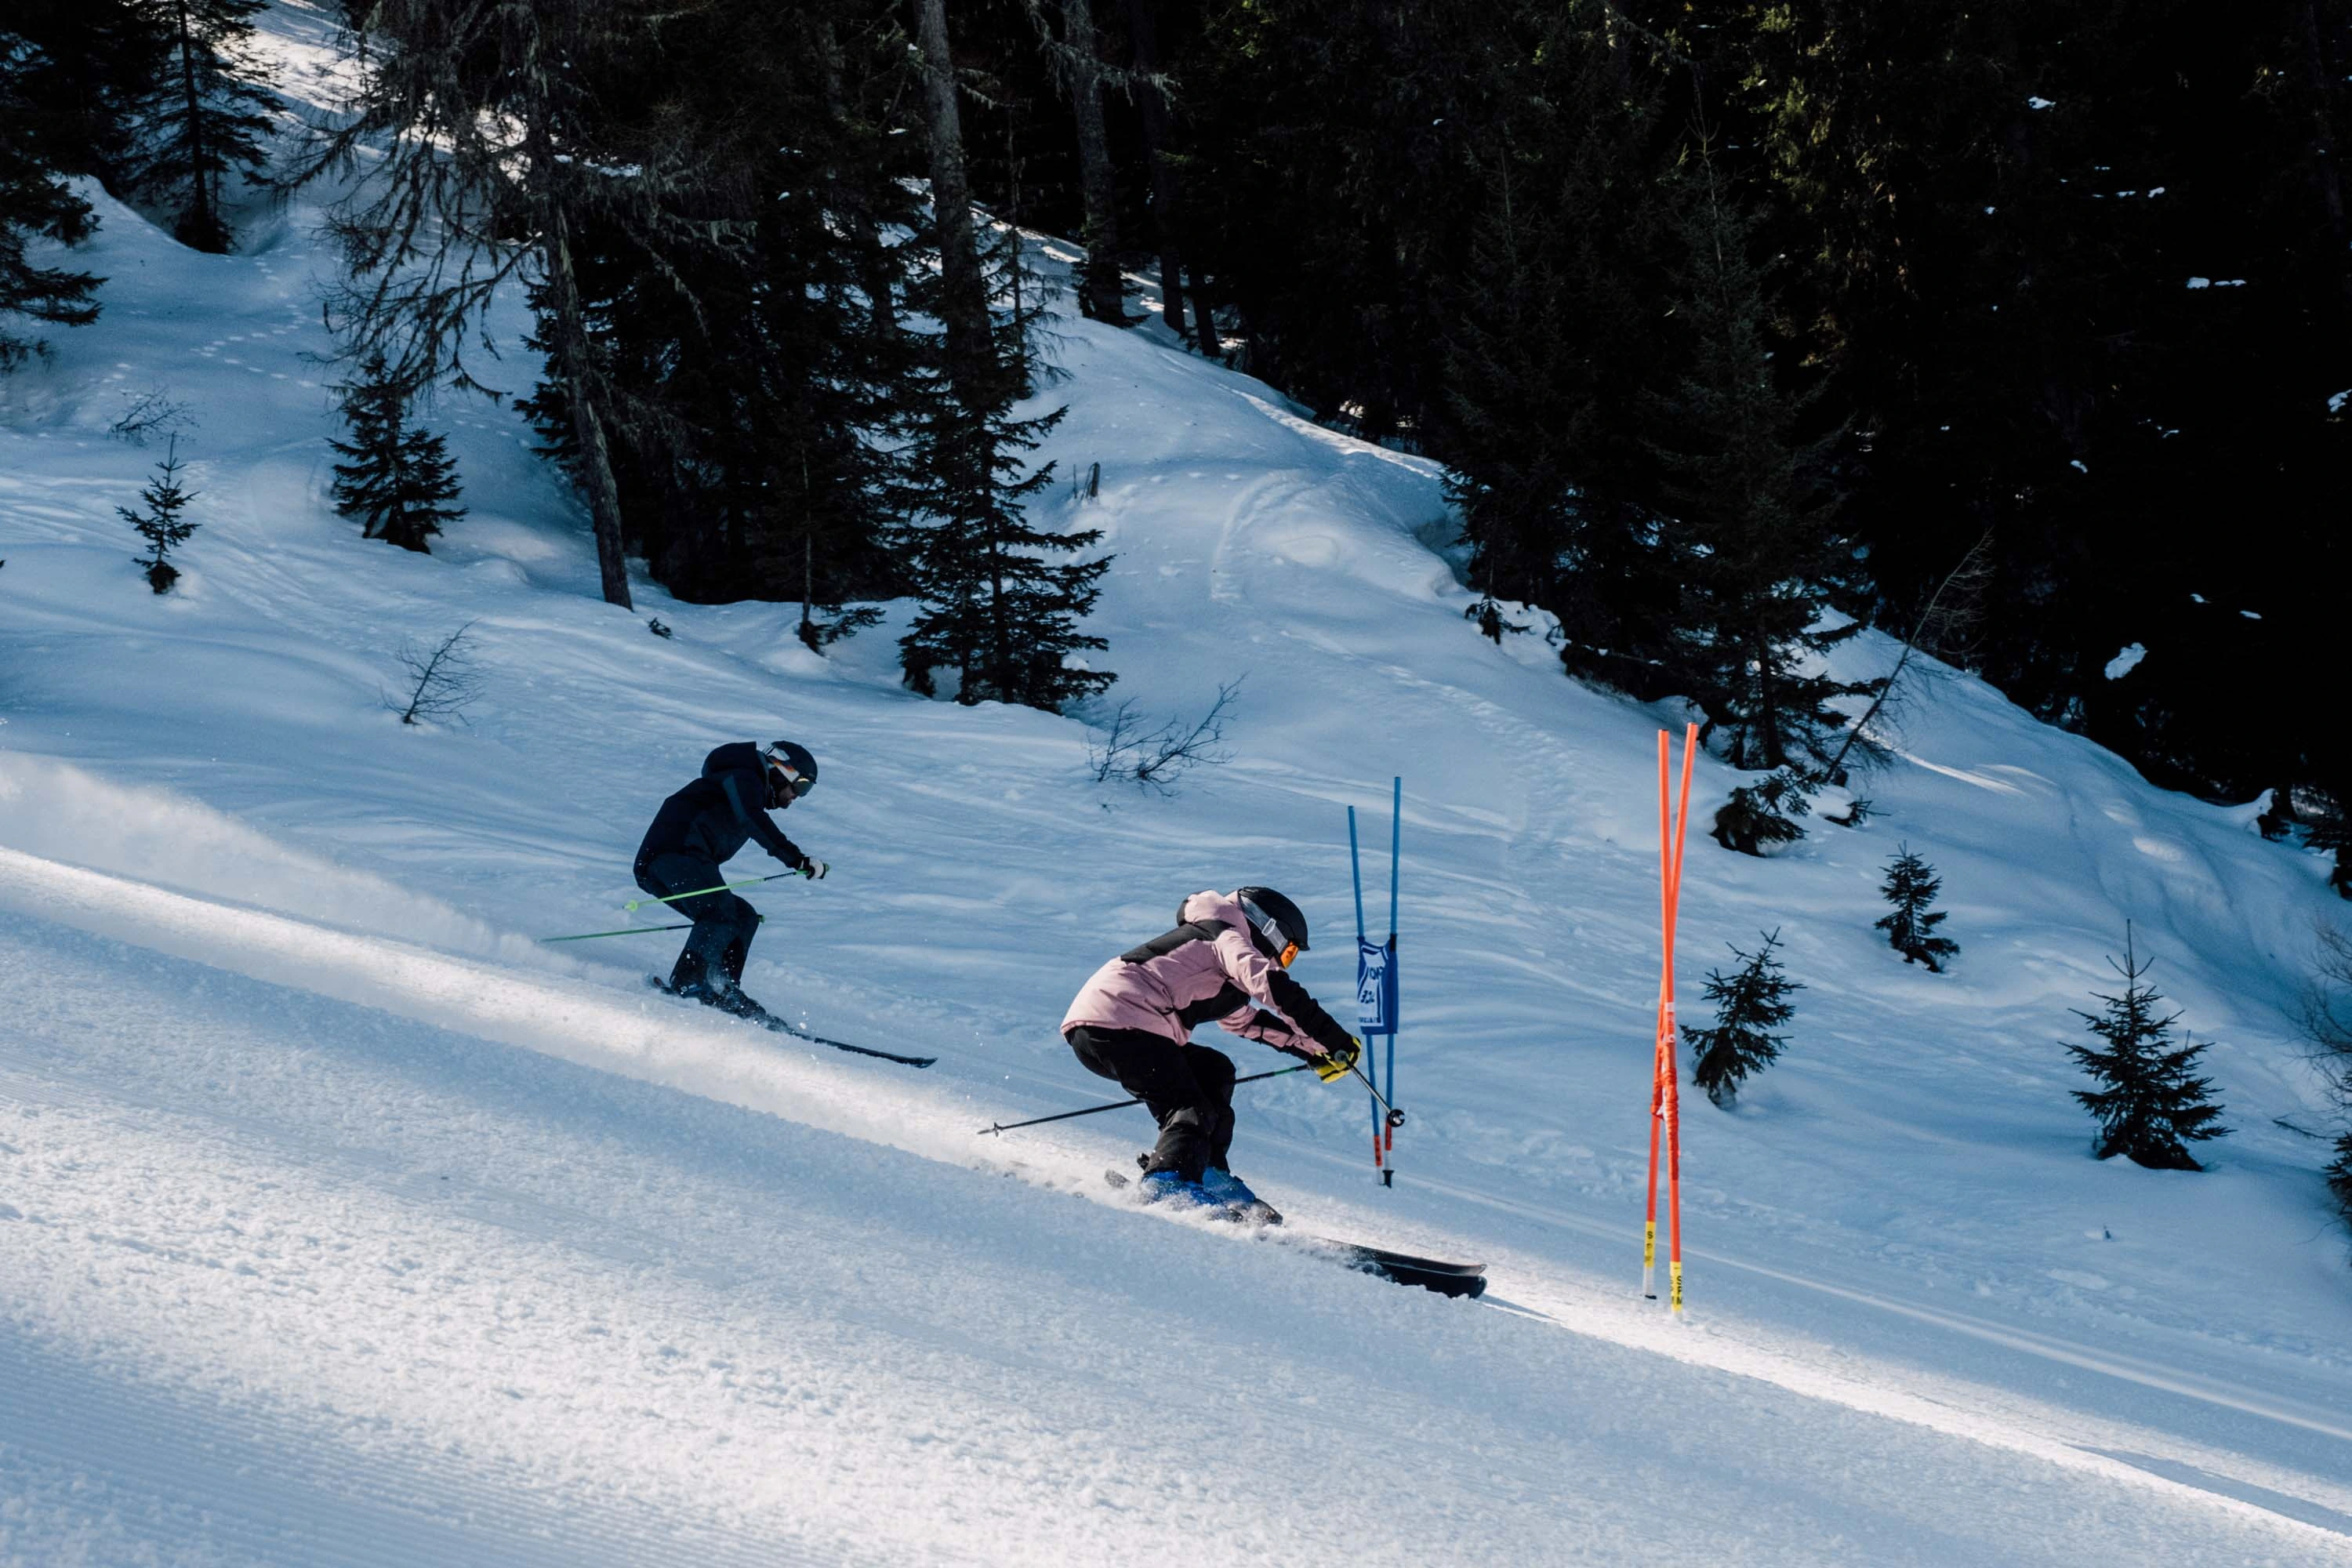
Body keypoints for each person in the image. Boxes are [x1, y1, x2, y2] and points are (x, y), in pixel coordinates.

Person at [1059, 887, 1360, 1220]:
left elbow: (1244, 1022)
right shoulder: (1225, 937)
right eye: (1287, 953)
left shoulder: (1217, 962)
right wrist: (1334, 1039)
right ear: (1268, 930)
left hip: (1108, 1027)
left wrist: (1315, 1051)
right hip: (1119, 1024)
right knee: (1189, 1105)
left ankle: (1206, 1171)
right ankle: (1167, 1184)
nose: (1283, 961)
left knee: (1213, 1070)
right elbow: (1273, 986)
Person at [633, 739, 828, 1018]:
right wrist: (795, 858)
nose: (798, 796)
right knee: (719, 912)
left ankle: (722, 986)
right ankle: (689, 984)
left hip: (678, 861)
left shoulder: (746, 789)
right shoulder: (743, 777)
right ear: (782, 770)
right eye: (801, 786)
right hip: (670, 857)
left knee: (742, 916)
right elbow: (753, 820)